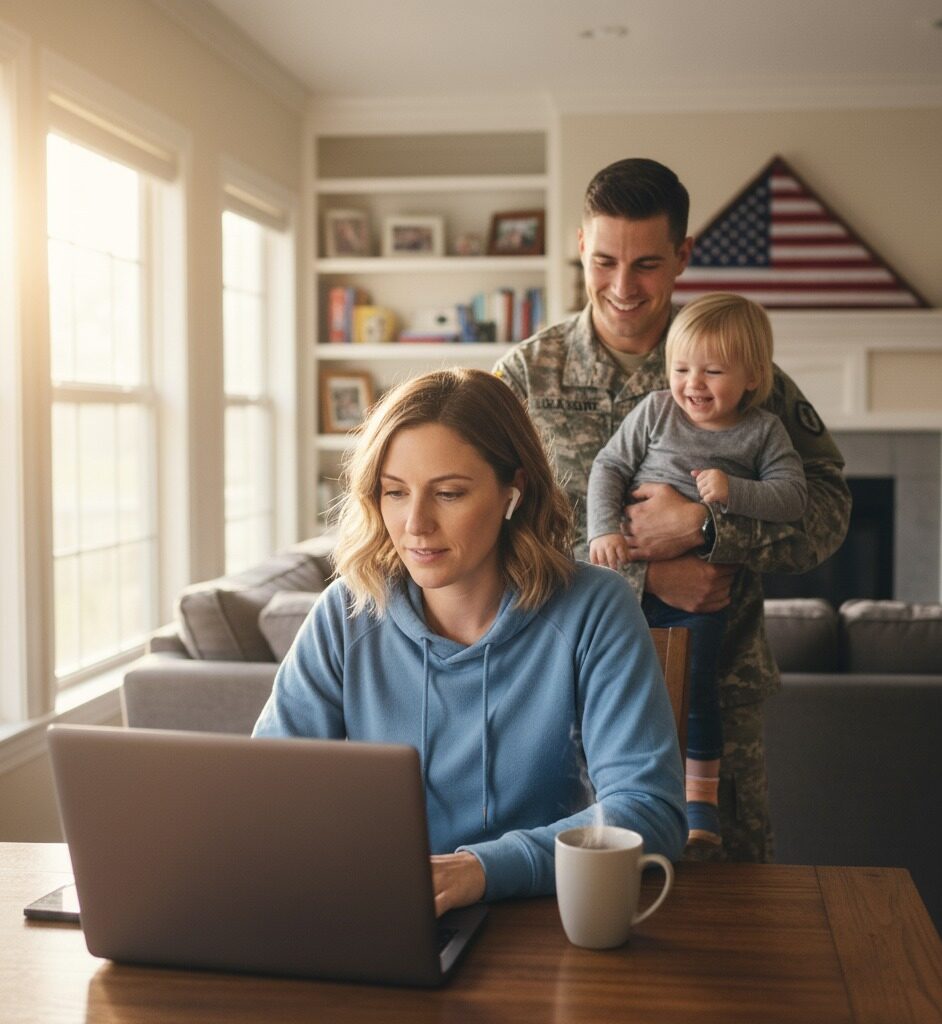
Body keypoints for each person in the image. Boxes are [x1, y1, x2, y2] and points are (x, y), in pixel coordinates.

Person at [493, 158, 851, 862]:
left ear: (684, 256)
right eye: (604, 262)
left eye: (648, 264)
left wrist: (710, 530)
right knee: (575, 903)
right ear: (580, 247)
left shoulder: (738, 365)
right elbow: (487, 536)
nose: (622, 288)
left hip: (715, 693)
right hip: (564, 693)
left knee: (729, 905)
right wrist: (642, 579)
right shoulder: (525, 377)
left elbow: (830, 511)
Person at [253, 368, 686, 915]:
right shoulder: (344, 614)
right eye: (394, 492)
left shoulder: (595, 610)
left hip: (538, 917)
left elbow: (650, 810)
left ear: (514, 490)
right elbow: (268, 794)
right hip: (382, 914)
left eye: (449, 493)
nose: (415, 524)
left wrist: (484, 868)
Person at [587, 293, 807, 847]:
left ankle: (700, 806)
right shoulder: (658, 410)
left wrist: (728, 498)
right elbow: (608, 466)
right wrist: (604, 532)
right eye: (682, 369)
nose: (694, 384)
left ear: (754, 376)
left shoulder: (762, 432)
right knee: (623, 694)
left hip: (705, 596)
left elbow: (794, 498)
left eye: (713, 371)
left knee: (696, 691)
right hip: (625, 591)